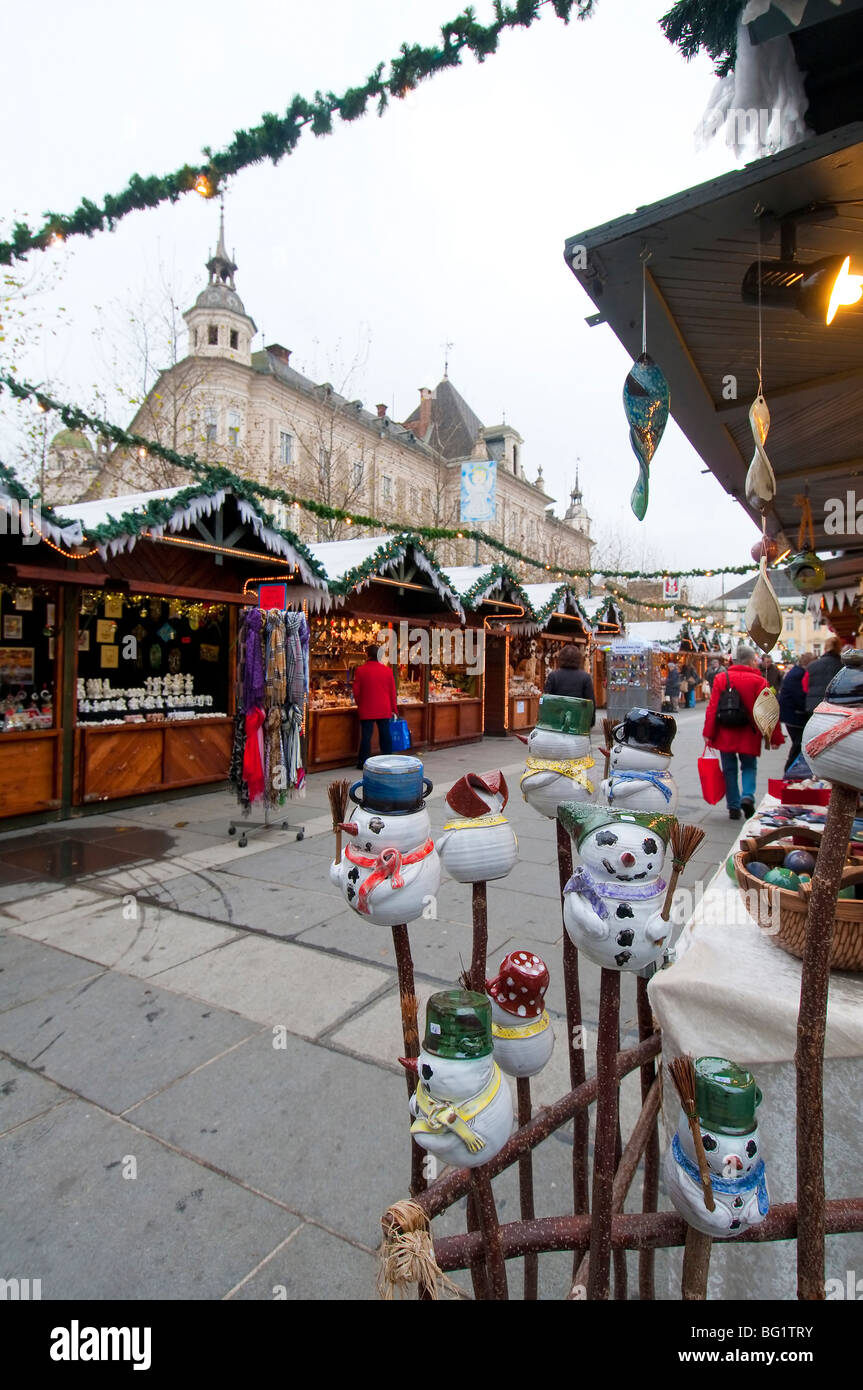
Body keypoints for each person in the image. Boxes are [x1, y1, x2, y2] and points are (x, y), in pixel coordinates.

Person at [703, 643, 784, 821]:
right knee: (749, 766)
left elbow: (712, 708)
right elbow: (769, 712)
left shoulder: (721, 678)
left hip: (725, 731)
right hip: (749, 732)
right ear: (750, 661)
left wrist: (708, 733)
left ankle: (733, 807)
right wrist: (775, 736)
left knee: (729, 770)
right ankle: (747, 796)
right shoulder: (759, 681)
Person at [352, 644, 398, 768]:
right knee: (385, 735)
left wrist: (360, 703)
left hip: (367, 707)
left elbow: (356, 691)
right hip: (383, 707)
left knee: (366, 736)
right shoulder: (387, 671)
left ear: (367, 655)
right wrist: (394, 709)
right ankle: (388, 758)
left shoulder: (361, 670)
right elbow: (392, 692)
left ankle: (362, 762)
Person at [779, 651, 814, 775]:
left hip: (792, 715)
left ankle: (791, 770)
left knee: (798, 744)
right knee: (798, 745)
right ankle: (789, 771)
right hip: (795, 715)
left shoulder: (796, 672)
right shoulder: (798, 674)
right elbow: (799, 696)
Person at [544, 644, 595, 723]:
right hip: (578, 720)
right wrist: (590, 722)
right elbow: (590, 702)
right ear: (578, 659)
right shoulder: (585, 677)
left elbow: (547, 700)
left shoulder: (553, 676)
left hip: (557, 720)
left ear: (561, 658)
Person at [803, 636, 844, 713]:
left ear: (825, 648)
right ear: (839, 648)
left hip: (815, 706)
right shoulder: (844, 666)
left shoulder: (811, 666)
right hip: (838, 707)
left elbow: (805, 688)